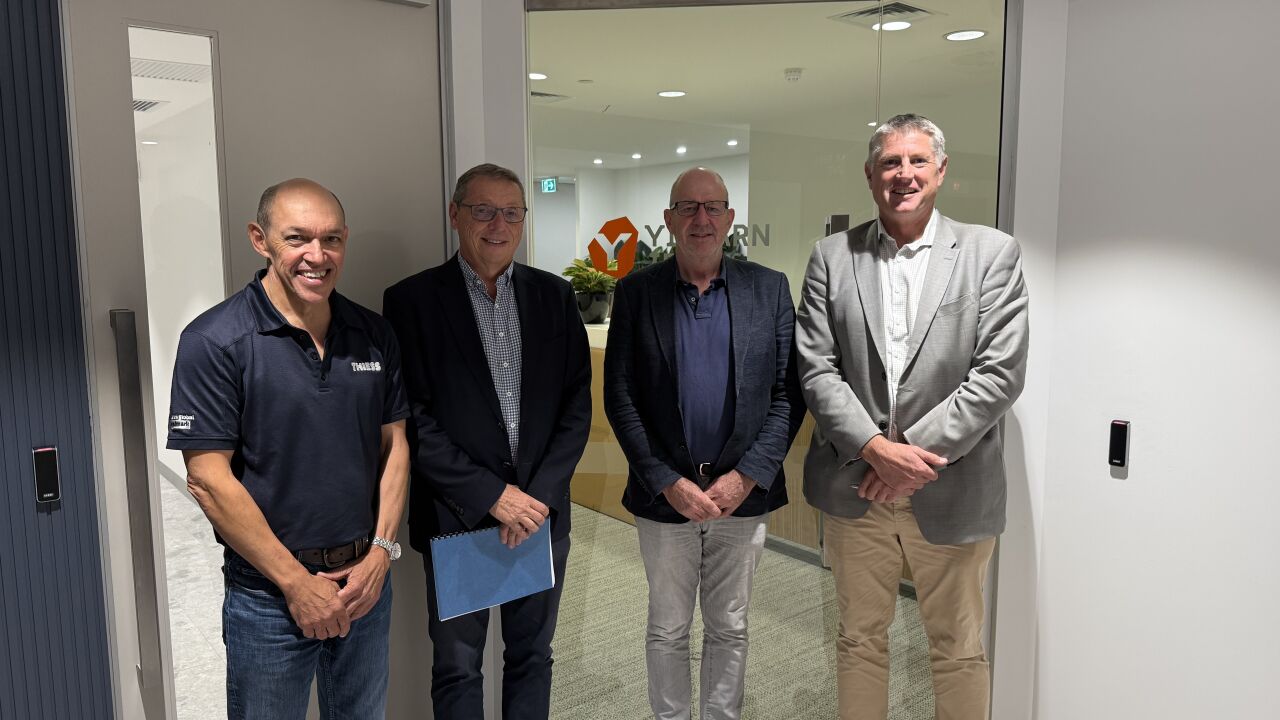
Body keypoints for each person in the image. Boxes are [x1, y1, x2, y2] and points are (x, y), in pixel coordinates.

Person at [796, 113, 1030, 720]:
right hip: (856, 490)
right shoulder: (831, 257)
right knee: (859, 639)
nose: (904, 174)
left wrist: (906, 459)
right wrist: (875, 450)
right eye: (891, 162)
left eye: (917, 160)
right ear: (870, 174)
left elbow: (999, 374)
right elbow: (816, 370)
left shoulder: (990, 254)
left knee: (958, 648)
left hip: (951, 488)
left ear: (941, 170)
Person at [167, 178, 410, 719]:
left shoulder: (373, 334)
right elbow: (208, 479)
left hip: (364, 583)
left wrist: (381, 553)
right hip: (269, 598)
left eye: (332, 239)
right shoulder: (214, 340)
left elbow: (395, 447)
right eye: (297, 238)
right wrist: (297, 584)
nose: (317, 256)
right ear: (260, 239)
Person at [382, 162, 591, 719]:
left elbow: (576, 407)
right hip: (460, 517)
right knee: (457, 668)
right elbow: (412, 419)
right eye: (484, 211)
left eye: (512, 213)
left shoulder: (555, 296)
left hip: (540, 518)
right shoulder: (411, 301)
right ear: (455, 215)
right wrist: (493, 495)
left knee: (532, 657)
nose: (499, 225)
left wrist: (536, 499)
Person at [604, 166, 805, 720]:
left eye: (713, 207)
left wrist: (748, 476)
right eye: (688, 208)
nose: (701, 219)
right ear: (669, 219)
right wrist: (665, 480)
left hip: (743, 495)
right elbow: (620, 396)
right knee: (668, 627)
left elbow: (789, 394)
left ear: (730, 218)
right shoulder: (636, 292)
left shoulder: (769, 288)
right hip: (664, 495)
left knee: (729, 627)